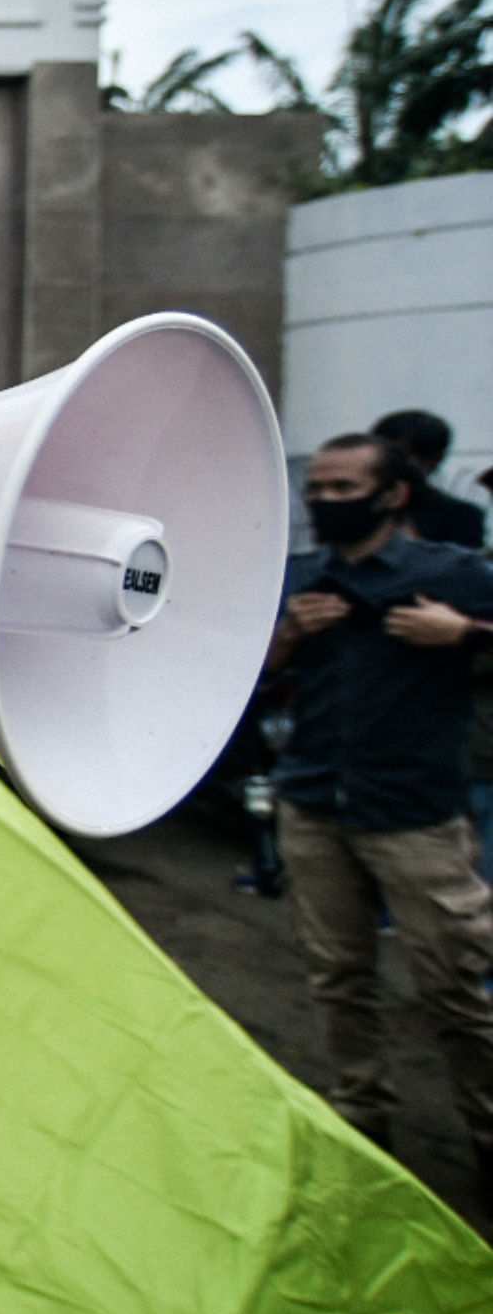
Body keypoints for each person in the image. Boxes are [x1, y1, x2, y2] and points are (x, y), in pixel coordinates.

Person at [266, 431, 493, 1200]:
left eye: (343, 488)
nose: (326, 500)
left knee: (454, 986)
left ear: (392, 495)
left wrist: (463, 634)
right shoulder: (306, 577)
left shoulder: (452, 575)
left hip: (414, 818)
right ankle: (363, 1123)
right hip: (314, 805)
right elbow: (245, 666)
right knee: (338, 978)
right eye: (319, 489)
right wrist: (295, 632)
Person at [372, 410, 487, 550]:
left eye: (401, 456)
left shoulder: (460, 516)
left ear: (434, 460)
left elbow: (463, 567)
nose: (388, 463)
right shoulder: (356, 502)